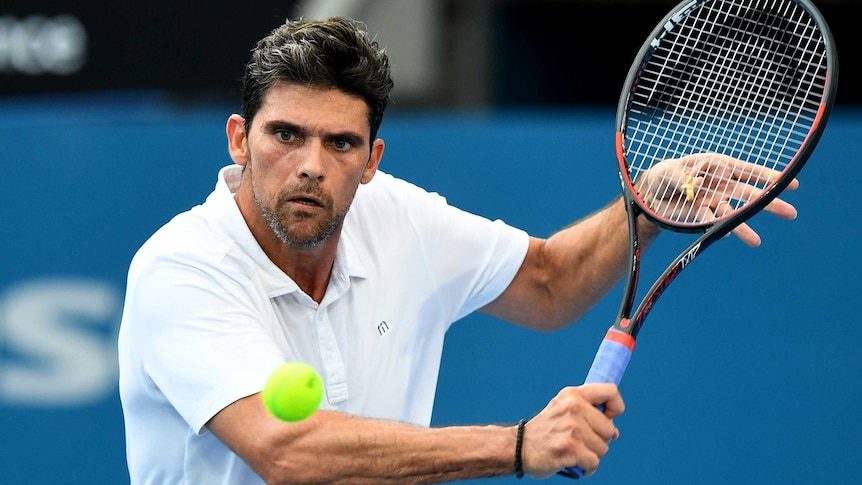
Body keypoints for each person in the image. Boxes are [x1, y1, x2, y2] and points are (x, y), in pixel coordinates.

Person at [117, 16, 799, 485]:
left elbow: (548, 280)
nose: (310, 165)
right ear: (239, 139)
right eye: (286, 134)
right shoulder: (182, 267)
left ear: (373, 158)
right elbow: (286, 451)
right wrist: (516, 443)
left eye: (341, 143)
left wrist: (643, 210)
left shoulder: (399, 219)